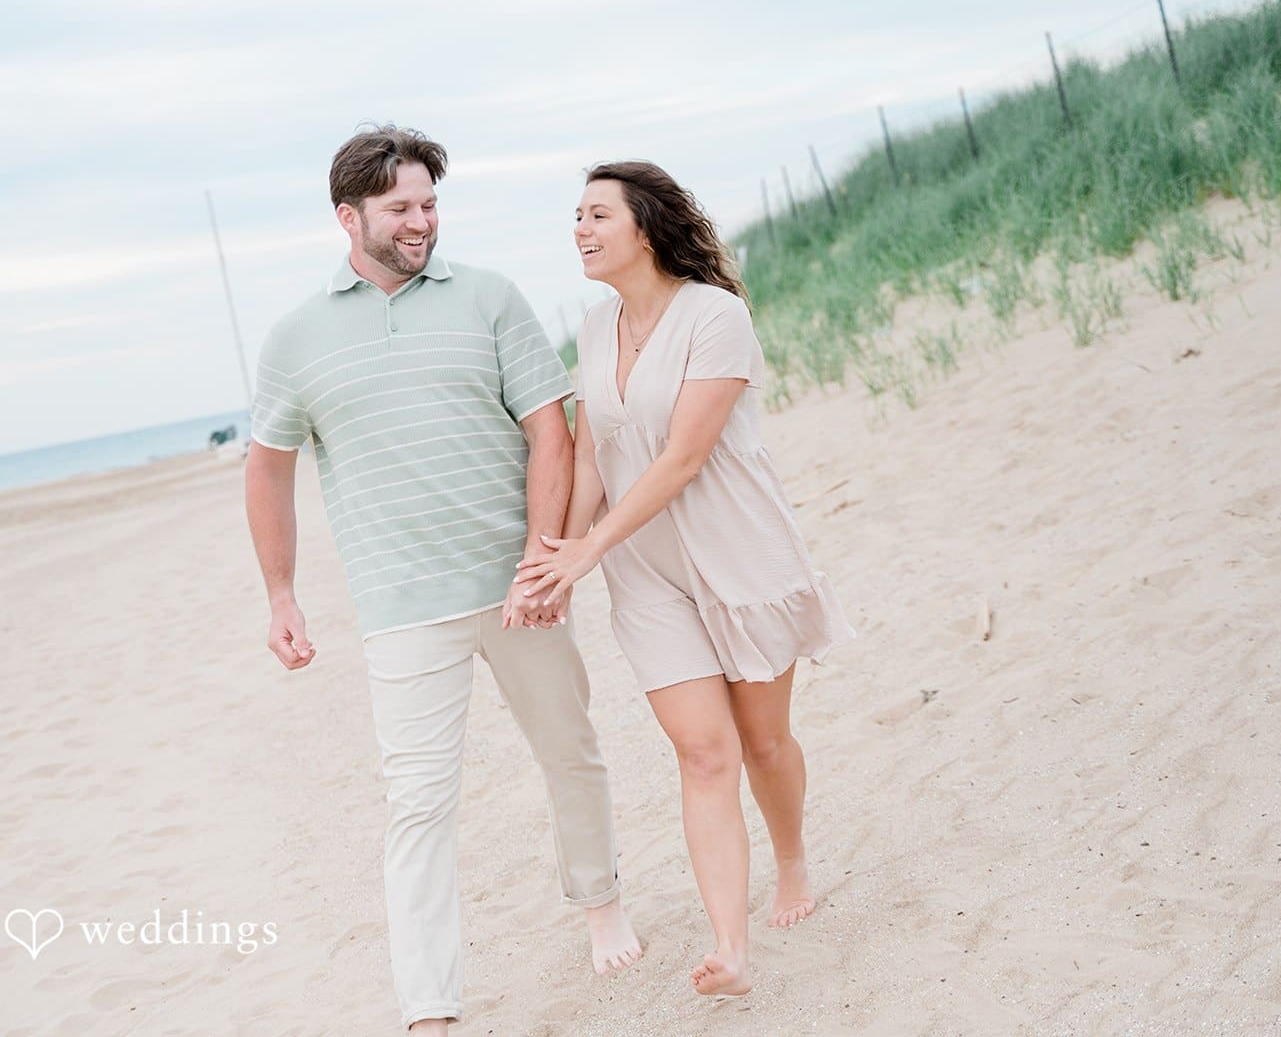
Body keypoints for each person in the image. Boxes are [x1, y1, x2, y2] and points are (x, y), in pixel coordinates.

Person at [243, 125, 641, 1034]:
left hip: (518, 587)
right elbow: (266, 468)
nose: (422, 222)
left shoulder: (491, 299)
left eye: (429, 204)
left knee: (570, 755)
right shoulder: (298, 338)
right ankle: (430, 1007)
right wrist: (281, 594)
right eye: (401, 209)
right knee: (417, 805)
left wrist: (545, 558)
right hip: (400, 610)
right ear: (350, 217)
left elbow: (553, 430)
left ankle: (601, 905)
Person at [514, 160, 857, 998]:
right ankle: (731, 948)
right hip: (648, 572)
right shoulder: (595, 329)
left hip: (738, 554)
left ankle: (792, 861)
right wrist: (557, 552)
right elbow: (592, 452)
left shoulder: (718, 317)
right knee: (705, 754)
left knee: (764, 741)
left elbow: (684, 458)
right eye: (577, 217)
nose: (581, 231)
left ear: (646, 227)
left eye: (598, 215)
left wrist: (587, 550)